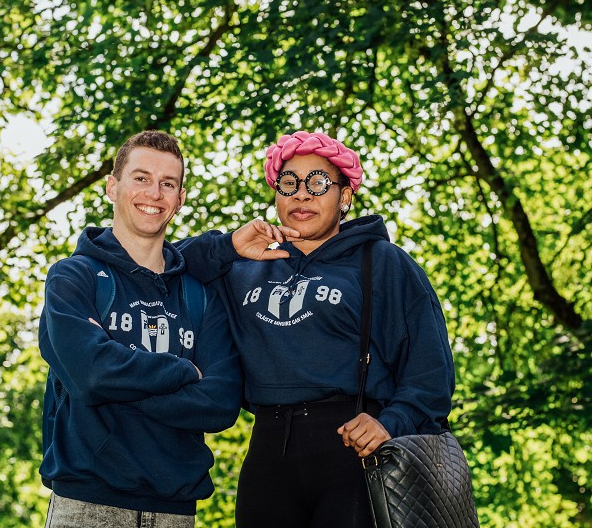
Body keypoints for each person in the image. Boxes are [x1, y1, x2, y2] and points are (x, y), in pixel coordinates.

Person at [178, 130, 456, 528]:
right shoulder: (246, 264)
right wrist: (228, 246)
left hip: (353, 447)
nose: (301, 195)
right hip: (268, 449)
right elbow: (165, 267)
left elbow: (431, 371)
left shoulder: (383, 263)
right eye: (288, 183)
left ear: (344, 197)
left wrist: (390, 423)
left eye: (318, 183)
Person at [39, 130, 242, 528]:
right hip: (86, 504)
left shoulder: (200, 295)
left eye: (168, 184)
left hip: (175, 510)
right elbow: (92, 375)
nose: (155, 193)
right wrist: (183, 372)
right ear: (113, 187)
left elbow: (220, 402)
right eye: (142, 178)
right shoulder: (74, 277)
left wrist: (116, 381)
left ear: (180, 199)